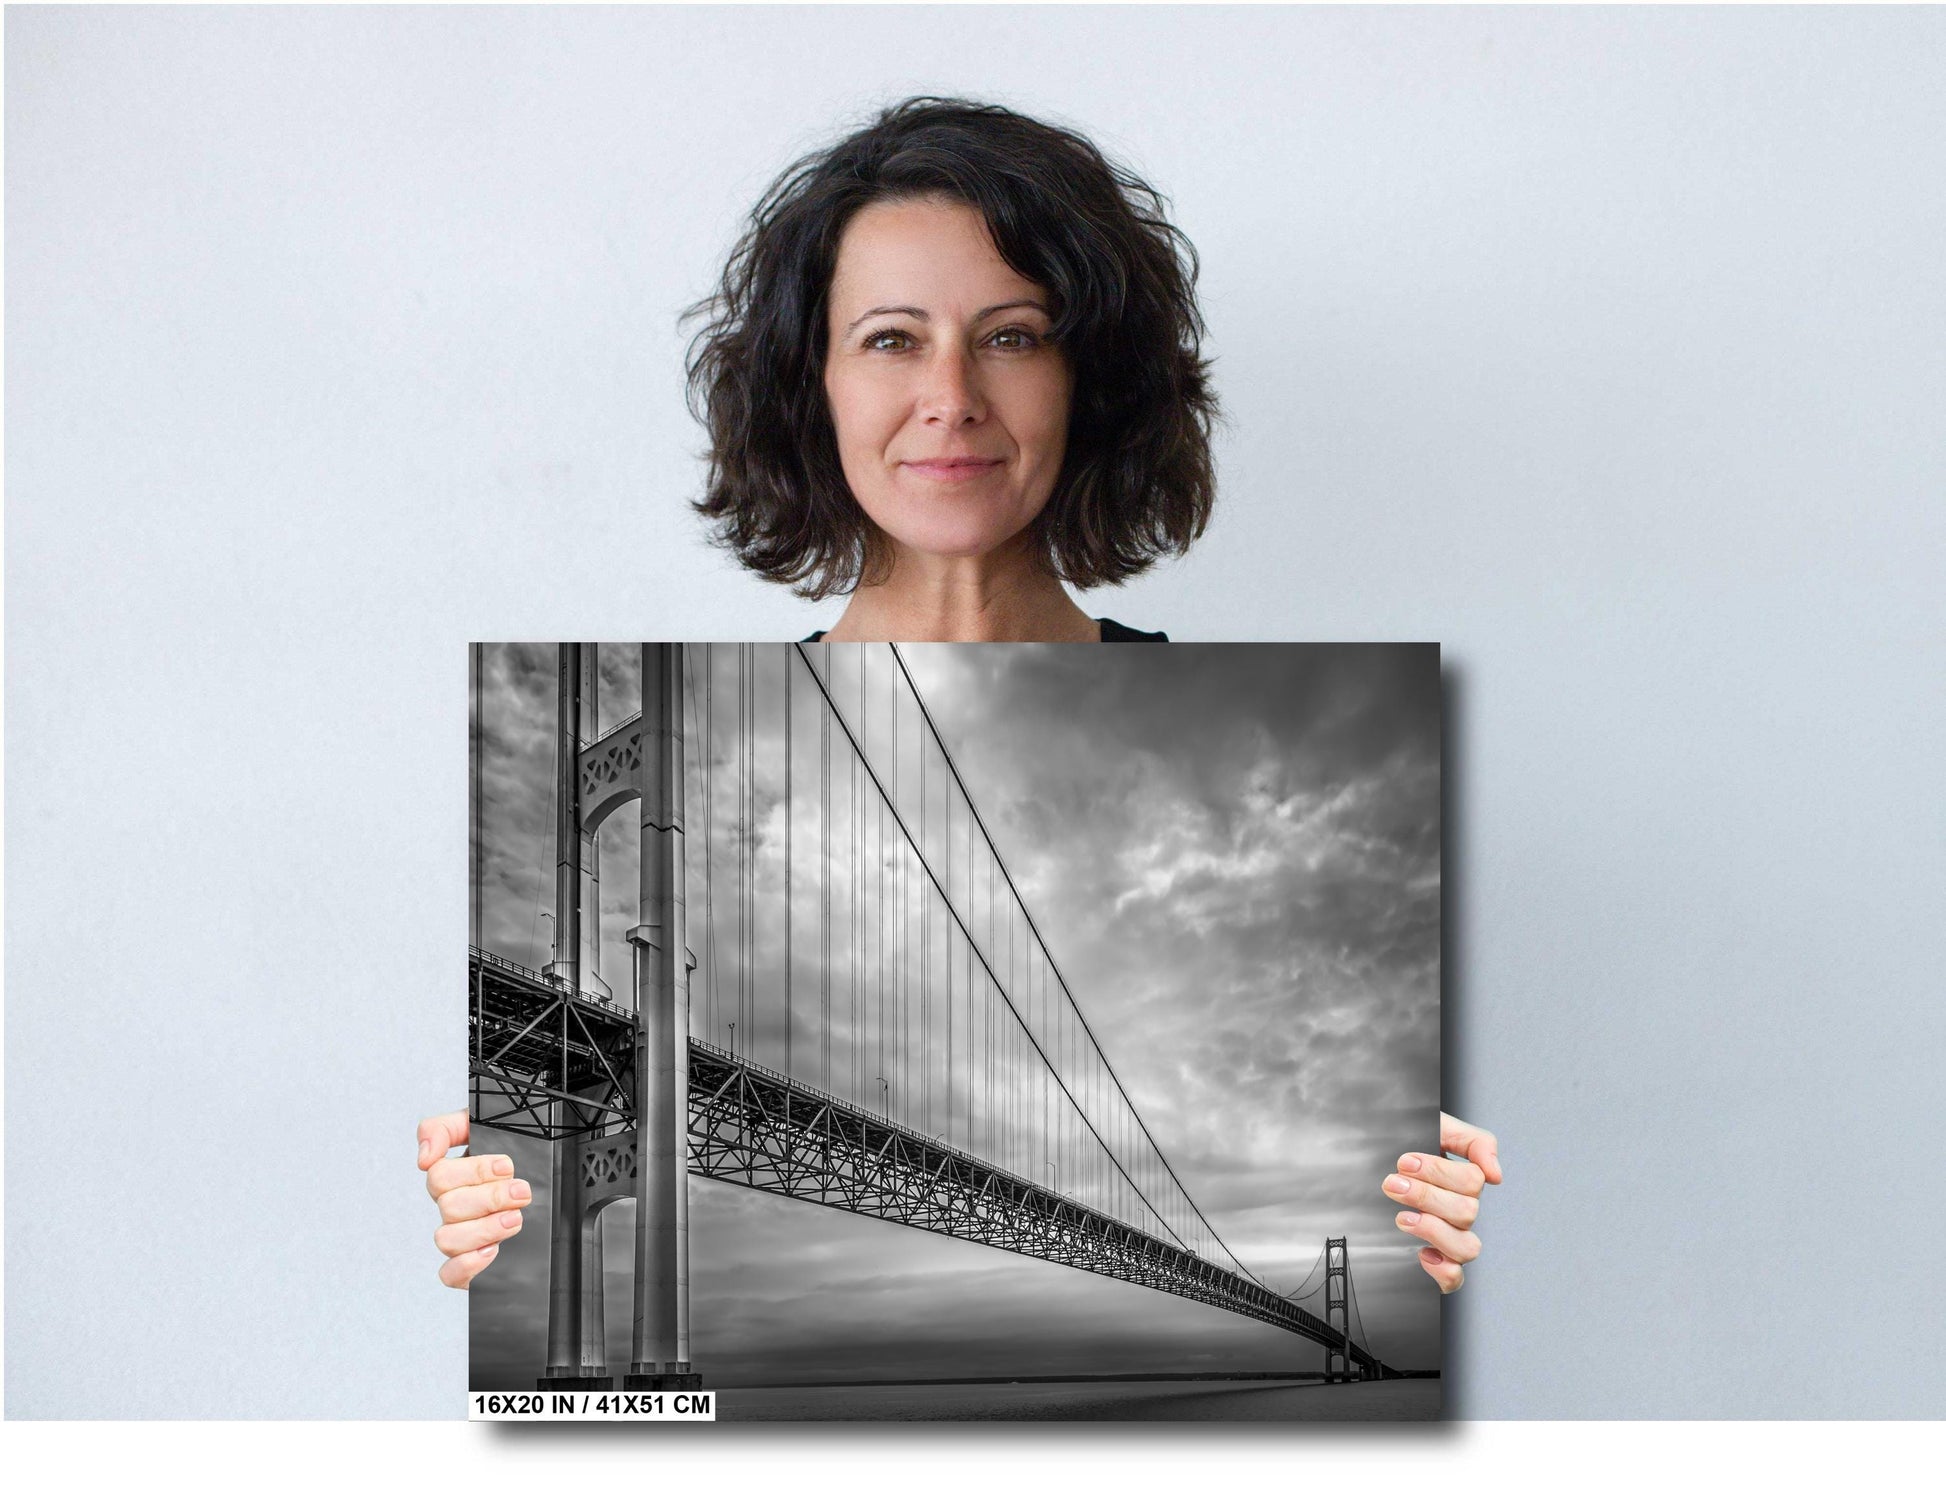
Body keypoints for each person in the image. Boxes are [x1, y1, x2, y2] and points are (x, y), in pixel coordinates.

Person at [422, 96, 1500, 1295]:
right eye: (890, 339)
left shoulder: (1288, 724)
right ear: (811, 384)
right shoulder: (714, 703)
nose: (952, 396)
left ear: (1088, 381)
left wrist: (1444, 1229)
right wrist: (464, 1236)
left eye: (1013, 335)